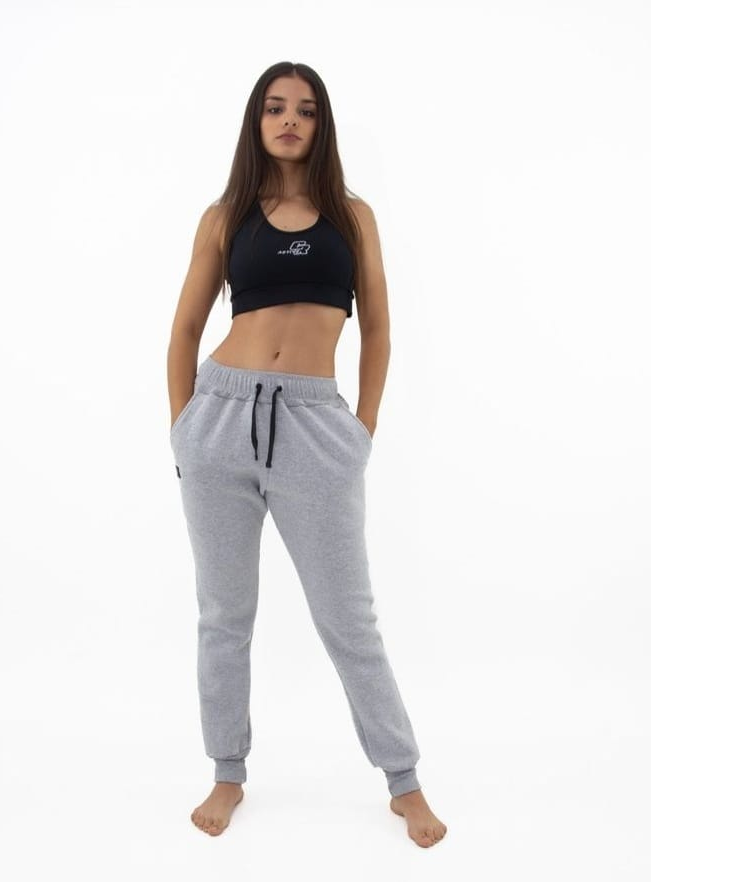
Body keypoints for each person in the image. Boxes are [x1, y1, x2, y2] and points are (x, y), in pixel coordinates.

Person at [166, 62, 447, 848]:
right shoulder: (225, 217)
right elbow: (184, 330)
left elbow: (378, 328)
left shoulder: (351, 217)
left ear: (322, 125)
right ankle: (227, 772)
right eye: (275, 108)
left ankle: (403, 780)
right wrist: (183, 428)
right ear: (256, 122)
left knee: (348, 620)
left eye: (306, 109)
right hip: (220, 419)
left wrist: (361, 428)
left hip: (317, 428)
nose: (289, 120)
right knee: (224, 615)